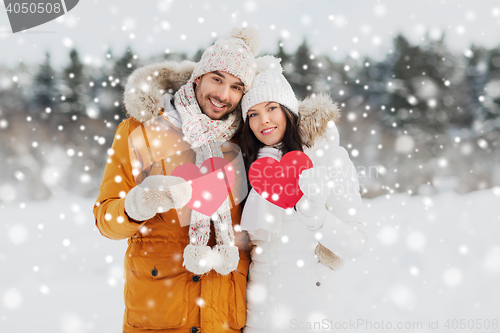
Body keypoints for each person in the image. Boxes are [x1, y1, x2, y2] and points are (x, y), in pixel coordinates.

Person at [93, 27, 261, 333]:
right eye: (217, 79)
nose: (224, 95)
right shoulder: (141, 130)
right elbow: (105, 219)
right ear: (197, 77)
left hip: (225, 316)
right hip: (160, 312)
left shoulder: (248, 141)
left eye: (237, 87)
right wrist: (136, 205)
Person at [238, 56, 368, 332]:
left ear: (288, 109)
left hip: (311, 313)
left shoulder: (328, 158)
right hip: (258, 317)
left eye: (272, 107)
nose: (264, 121)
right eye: (253, 113)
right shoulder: (249, 167)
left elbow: (356, 244)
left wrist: (317, 218)